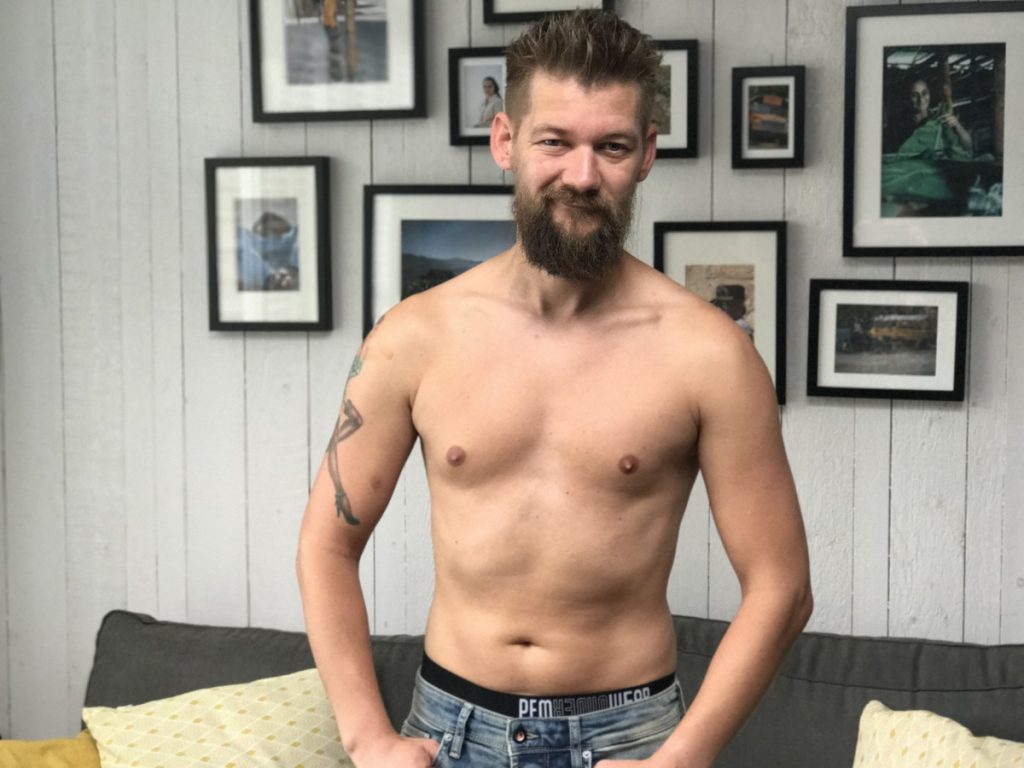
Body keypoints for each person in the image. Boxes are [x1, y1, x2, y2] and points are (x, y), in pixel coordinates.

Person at [297, 9, 812, 768]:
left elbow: (782, 585)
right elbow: (326, 543)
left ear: (646, 154)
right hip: (449, 730)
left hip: (629, 739)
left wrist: (684, 757)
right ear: (505, 140)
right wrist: (366, 736)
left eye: (611, 146)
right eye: (555, 142)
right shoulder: (415, 335)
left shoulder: (708, 353)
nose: (581, 175)